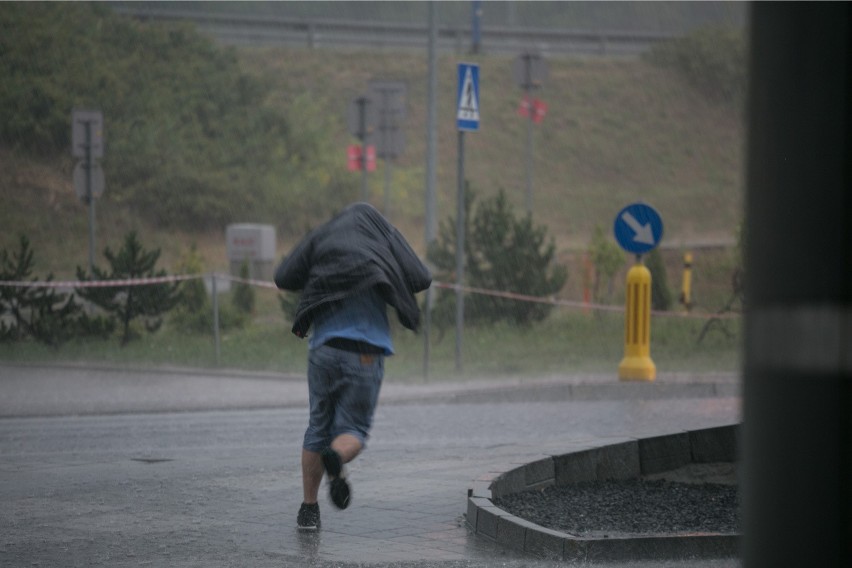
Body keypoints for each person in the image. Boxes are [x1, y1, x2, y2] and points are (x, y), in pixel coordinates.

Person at [274, 202, 432, 531]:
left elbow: (284, 276)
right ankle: (337, 458)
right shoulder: (381, 233)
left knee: (317, 426)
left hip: (324, 348)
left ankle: (308, 511)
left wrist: (324, 272)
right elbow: (421, 277)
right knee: (353, 430)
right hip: (365, 351)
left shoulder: (324, 235)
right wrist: (384, 271)